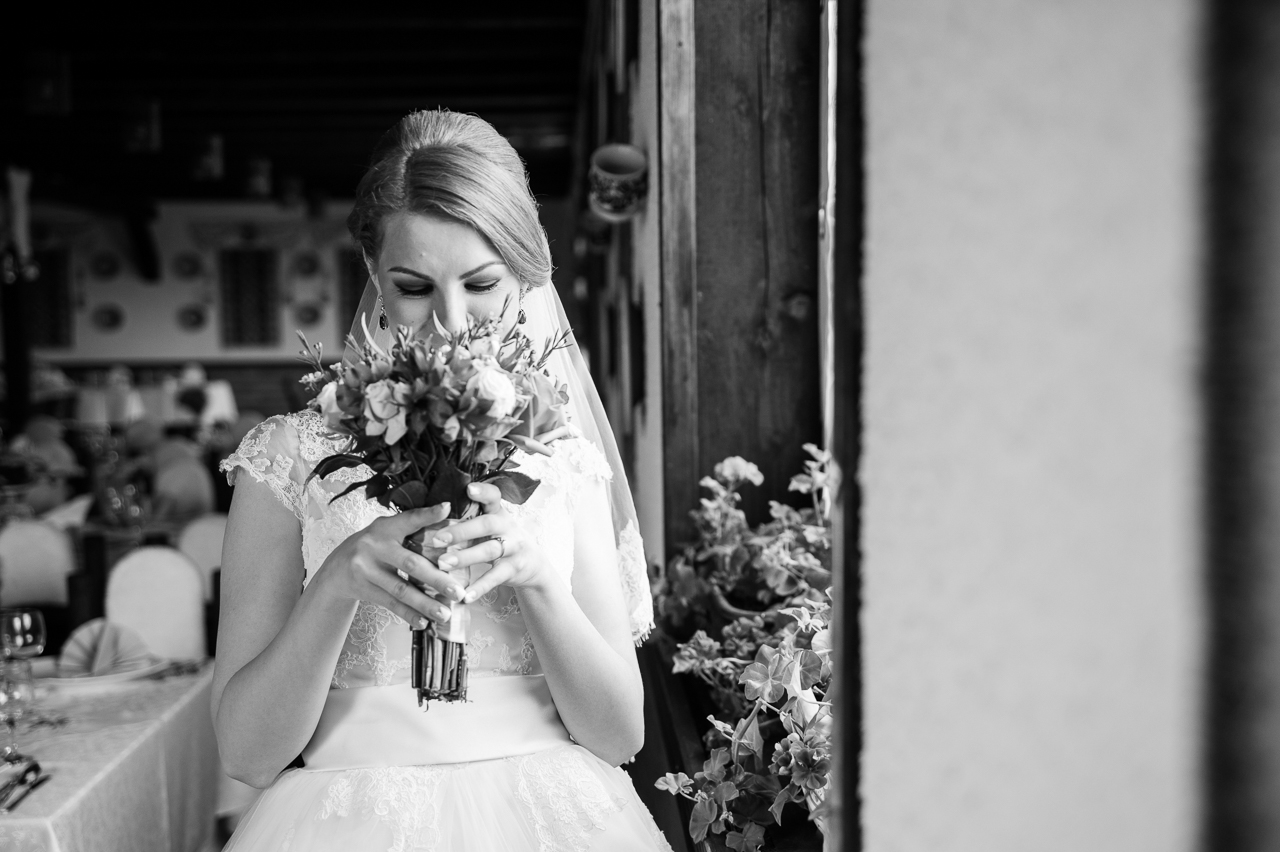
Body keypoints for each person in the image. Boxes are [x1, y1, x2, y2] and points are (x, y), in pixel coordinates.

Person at [212, 110, 670, 851]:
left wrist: (537, 577)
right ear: (374, 277)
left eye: (482, 283)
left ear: (526, 273)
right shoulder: (285, 458)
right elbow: (244, 756)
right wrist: (335, 585)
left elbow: (620, 737)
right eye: (415, 286)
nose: (452, 322)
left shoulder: (563, 458)